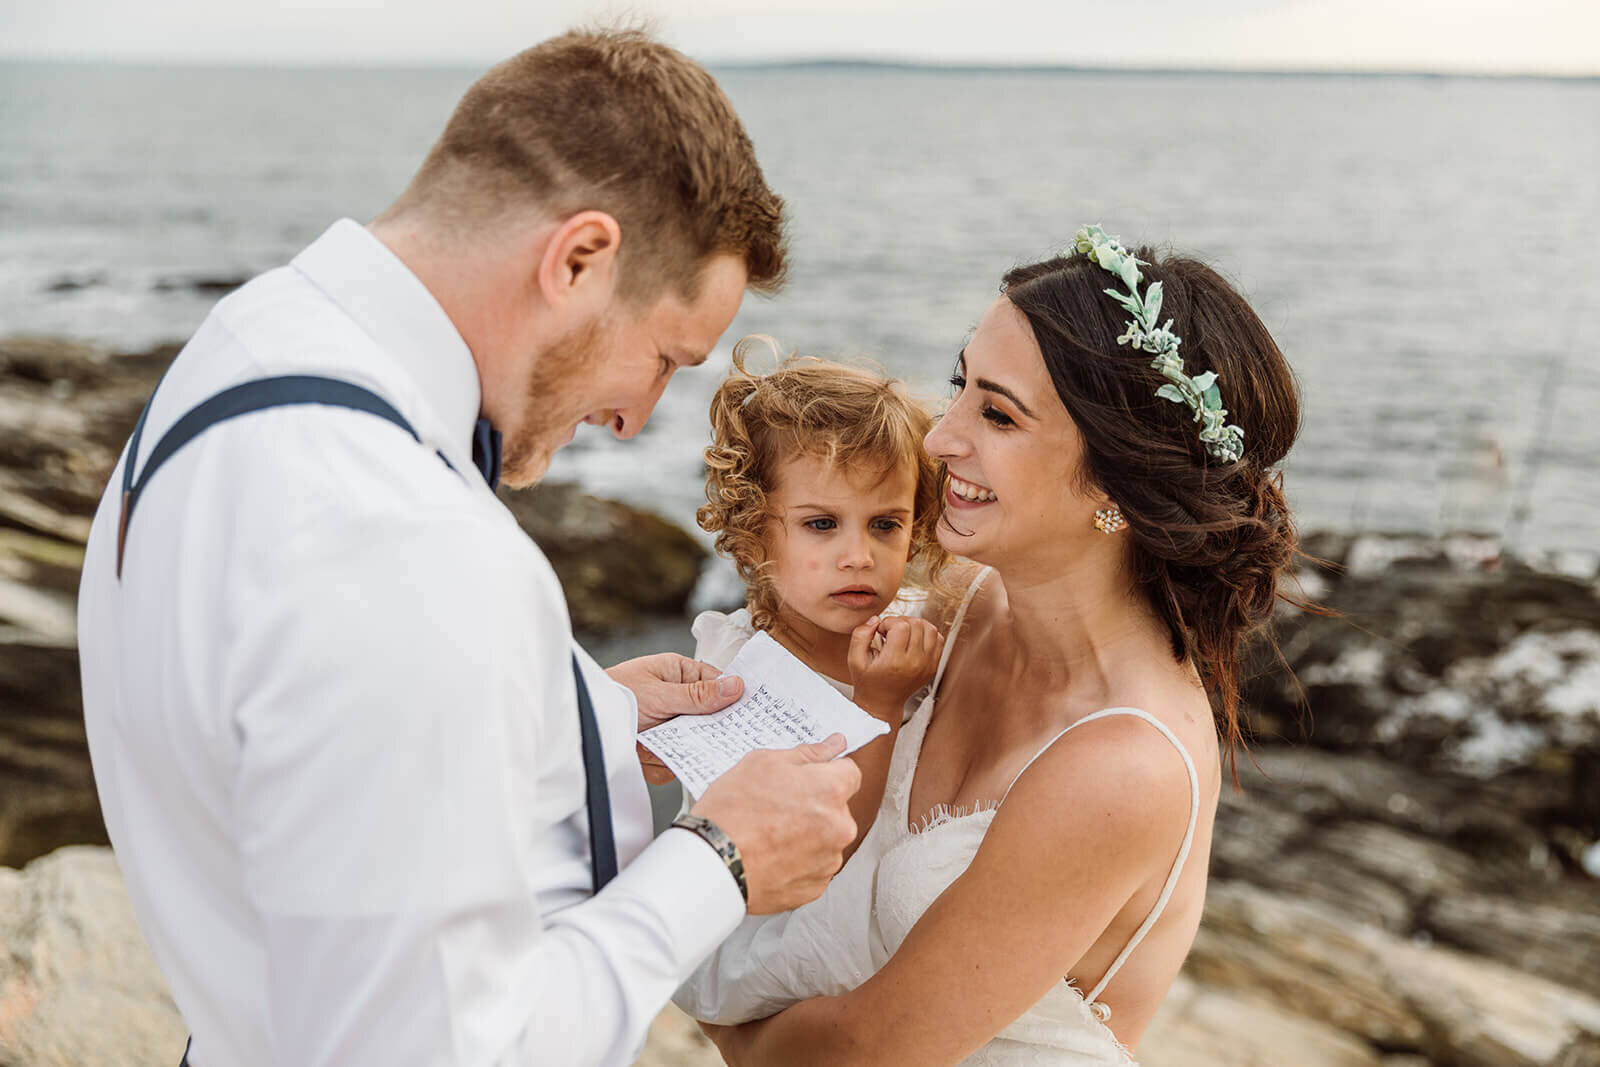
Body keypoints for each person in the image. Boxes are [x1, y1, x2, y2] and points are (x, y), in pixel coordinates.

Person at [75, 28, 863, 1067]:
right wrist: (721, 857)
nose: (637, 415)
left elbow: (291, 729)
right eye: (666, 356)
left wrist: (577, 715)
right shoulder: (413, 548)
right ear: (577, 259)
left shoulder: (249, 341)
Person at [677, 226, 1306, 1065]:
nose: (939, 439)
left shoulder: (1123, 761)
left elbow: (865, 1052)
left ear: (1119, 480)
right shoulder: (949, 604)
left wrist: (684, 975)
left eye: (999, 413)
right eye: (960, 385)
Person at [685, 337, 948, 855]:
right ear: (754, 528)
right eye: (822, 524)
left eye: (885, 524)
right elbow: (824, 842)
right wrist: (879, 703)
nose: (859, 555)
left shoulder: (920, 629)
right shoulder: (737, 673)